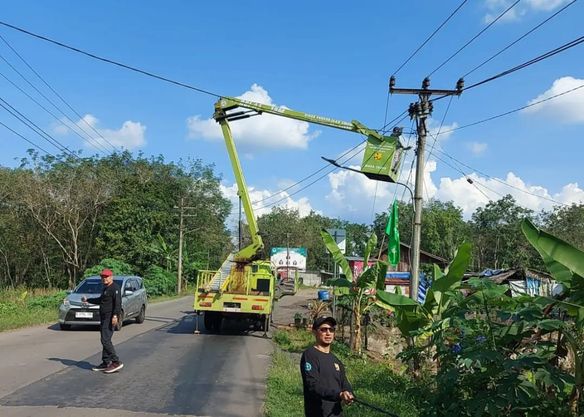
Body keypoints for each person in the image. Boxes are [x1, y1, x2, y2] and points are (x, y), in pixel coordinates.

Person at [300, 316, 354, 417]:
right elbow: (312, 386)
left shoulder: (336, 361)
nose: (328, 333)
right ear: (315, 332)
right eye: (323, 330)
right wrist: (338, 394)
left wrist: (348, 393)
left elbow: (344, 383)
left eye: (331, 330)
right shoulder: (310, 355)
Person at [82, 268, 124, 374]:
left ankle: (116, 362)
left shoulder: (115, 288)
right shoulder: (105, 288)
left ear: (111, 277)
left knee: (105, 340)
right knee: (106, 339)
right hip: (104, 316)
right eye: (102, 277)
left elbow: (118, 304)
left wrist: (115, 316)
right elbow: (101, 300)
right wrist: (88, 300)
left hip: (110, 317)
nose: (104, 279)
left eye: (106, 277)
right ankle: (106, 362)